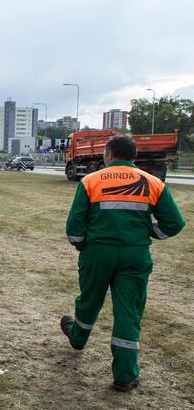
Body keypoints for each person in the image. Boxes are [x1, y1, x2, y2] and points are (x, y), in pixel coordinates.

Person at [60, 135, 185, 392]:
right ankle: (125, 375)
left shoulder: (90, 180)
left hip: (98, 253)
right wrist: (148, 232)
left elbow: (74, 228)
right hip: (135, 254)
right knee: (129, 312)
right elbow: (175, 223)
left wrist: (83, 245)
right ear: (134, 156)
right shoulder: (153, 182)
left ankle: (78, 338)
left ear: (108, 155)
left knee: (90, 300)